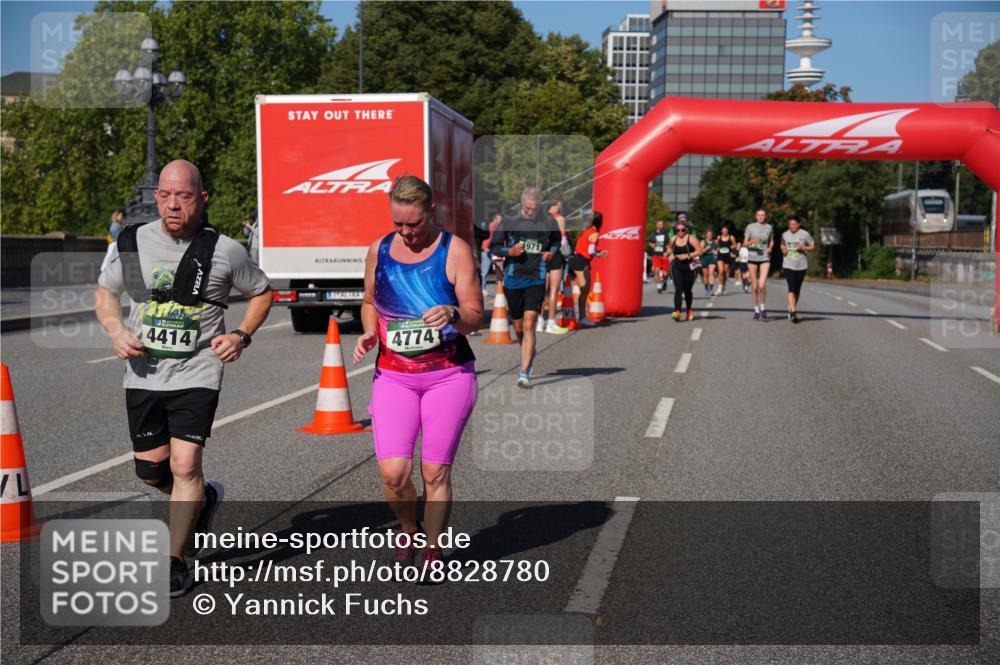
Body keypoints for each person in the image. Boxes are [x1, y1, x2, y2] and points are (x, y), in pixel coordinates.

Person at [95, 160, 273, 597]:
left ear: (202, 198)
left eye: (184, 196)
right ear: (157, 197)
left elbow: (262, 292)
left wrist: (241, 334)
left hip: (197, 370)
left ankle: (174, 560)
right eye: (166, 195)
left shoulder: (224, 250)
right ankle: (202, 501)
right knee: (150, 471)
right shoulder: (133, 242)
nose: (173, 205)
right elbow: (105, 293)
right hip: (144, 373)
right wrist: (116, 330)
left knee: (185, 465)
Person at [352, 175, 483, 571]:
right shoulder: (379, 250)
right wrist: (369, 331)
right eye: (398, 224)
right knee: (393, 474)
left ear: (432, 211)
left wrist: (454, 313)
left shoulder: (454, 251)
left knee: (435, 470)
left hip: (449, 374)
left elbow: (476, 316)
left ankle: (433, 550)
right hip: (394, 376)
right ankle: (408, 528)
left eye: (414, 223)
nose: (406, 232)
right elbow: (370, 301)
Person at [490, 187, 561, 388]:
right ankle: (528, 351)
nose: (530, 212)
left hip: (537, 277)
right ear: (522, 203)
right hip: (513, 278)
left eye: (534, 208)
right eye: (527, 208)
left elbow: (556, 241)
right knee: (519, 327)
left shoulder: (548, 221)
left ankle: (524, 372)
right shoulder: (510, 220)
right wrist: (509, 251)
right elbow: (494, 246)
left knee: (530, 323)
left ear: (540, 205)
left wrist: (551, 252)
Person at [567, 211, 609, 328]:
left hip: (576, 260)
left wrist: (598, 252)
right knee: (584, 291)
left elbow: (583, 248)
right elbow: (590, 251)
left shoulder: (586, 231)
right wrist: (600, 254)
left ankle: (580, 317)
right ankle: (582, 317)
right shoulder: (594, 233)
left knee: (582, 291)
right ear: (599, 222)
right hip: (581, 262)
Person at [542, 194, 570, 335]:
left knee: (541, 290)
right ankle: (551, 323)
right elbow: (562, 241)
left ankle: (539, 321)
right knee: (554, 290)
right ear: (558, 203)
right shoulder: (559, 218)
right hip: (555, 255)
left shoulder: (541, 217)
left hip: (541, 254)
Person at [780, 215, 816, 323]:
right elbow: (782, 245)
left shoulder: (805, 234)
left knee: (797, 289)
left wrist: (803, 247)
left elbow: (813, 246)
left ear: (799, 224)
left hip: (801, 265)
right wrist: (784, 249)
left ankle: (791, 307)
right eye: (790, 224)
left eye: (794, 224)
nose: (792, 226)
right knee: (791, 288)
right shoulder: (785, 234)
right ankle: (793, 313)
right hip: (788, 265)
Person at [667, 217, 703, 321]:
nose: (680, 232)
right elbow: (669, 248)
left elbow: (700, 251)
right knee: (678, 289)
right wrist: (670, 254)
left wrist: (687, 255)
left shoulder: (691, 238)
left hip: (689, 266)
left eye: (682, 230)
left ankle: (688, 310)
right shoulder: (673, 239)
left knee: (687, 289)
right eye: (677, 230)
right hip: (677, 266)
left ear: (686, 229)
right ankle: (677, 311)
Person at [744, 208, 774, 321]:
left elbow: (772, 240)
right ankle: (756, 310)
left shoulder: (769, 227)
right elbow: (744, 243)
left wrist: (770, 247)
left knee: (762, 285)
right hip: (752, 257)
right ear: (756, 216)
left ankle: (763, 309)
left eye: (763, 215)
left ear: (765, 216)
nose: (761, 217)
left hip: (765, 257)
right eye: (759, 215)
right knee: (755, 287)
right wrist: (752, 242)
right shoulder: (750, 227)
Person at [478, 212, 502, 295]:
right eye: (499, 219)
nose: (500, 220)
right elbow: (488, 237)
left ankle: (499, 287)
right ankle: (482, 289)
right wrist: (485, 247)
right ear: (495, 219)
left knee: (498, 268)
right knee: (485, 270)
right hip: (487, 250)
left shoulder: (497, 226)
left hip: (492, 249)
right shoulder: (492, 226)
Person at [648, 219, 670, 294]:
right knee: (656, 270)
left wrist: (667, 251)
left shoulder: (666, 233)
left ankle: (664, 281)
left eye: (661, 224)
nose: (660, 225)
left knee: (665, 274)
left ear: (663, 225)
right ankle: (659, 287)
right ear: (656, 225)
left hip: (664, 255)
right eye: (659, 224)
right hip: (656, 254)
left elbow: (669, 244)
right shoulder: (653, 233)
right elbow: (649, 242)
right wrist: (652, 245)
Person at [715, 226, 736, 295]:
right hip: (720, 255)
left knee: (724, 272)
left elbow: (735, 245)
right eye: (723, 231)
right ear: (721, 231)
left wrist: (731, 248)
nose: (724, 232)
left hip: (727, 256)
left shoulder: (731, 237)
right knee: (721, 271)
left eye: (726, 231)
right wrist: (717, 249)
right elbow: (717, 245)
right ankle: (719, 287)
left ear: (727, 232)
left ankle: (723, 286)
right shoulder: (719, 237)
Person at [700, 229, 718, 296]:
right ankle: (706, 289)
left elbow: (717, 249)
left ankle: (711, 290)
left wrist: (716, 252)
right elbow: (700, 252)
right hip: (704, 258)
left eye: (710, 235)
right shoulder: (703, 242)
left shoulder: (715, 242)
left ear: (712, 235)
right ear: (706, 235)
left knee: (711, 274)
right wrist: (706, 249)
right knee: (705, 275)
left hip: (712, 258)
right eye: (708, 235)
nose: (709, 236)